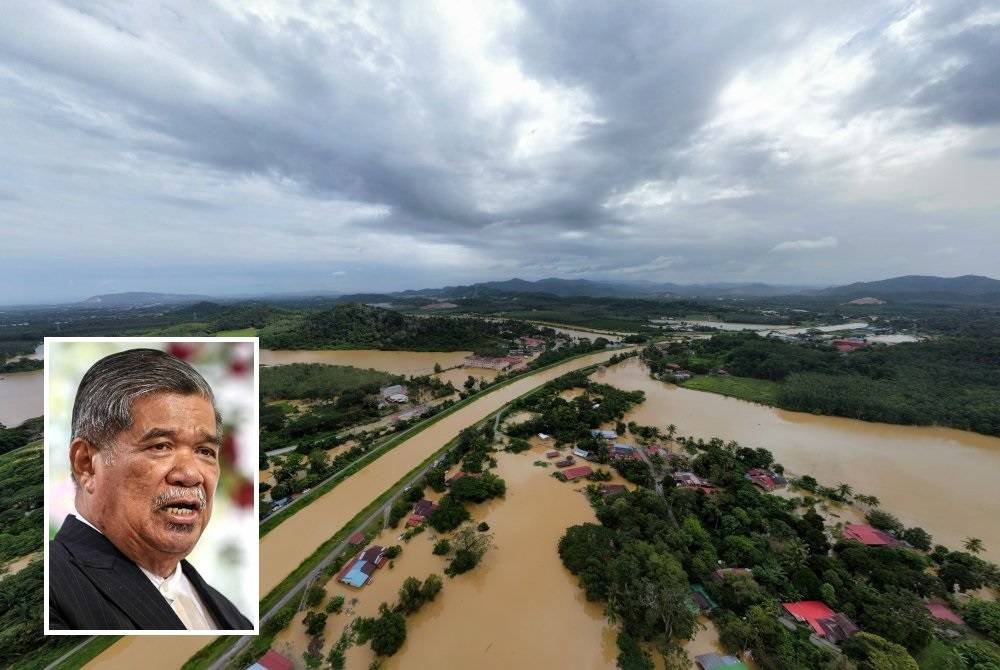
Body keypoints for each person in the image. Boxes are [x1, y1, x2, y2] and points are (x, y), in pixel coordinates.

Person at [48, 348, 252, 630]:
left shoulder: (230, 615)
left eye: (205, 451)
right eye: (160, 447)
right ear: (87, 465)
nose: (191, 474)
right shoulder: (51, 589)